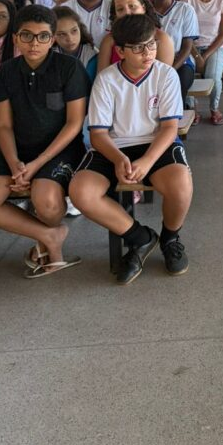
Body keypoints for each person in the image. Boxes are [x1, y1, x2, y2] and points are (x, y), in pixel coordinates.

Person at [69, 14, 193, 284]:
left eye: (150, 45)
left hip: (156, 144)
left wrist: (147, 161)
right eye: (137, 47)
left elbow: (170, 128)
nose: (147, 53)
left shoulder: (166, 74)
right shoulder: (107, 80)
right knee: (81, 192)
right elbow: (98, 133)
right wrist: (118, 158)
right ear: (120, 50)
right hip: (113, 146)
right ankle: (141, 237)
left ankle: (170, 237)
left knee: (181, 186)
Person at [0, 5, 89, 277]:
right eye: (26, 36)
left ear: (52, 39)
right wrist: (15, 162)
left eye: (43, 36)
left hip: (60, 151)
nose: (34, 43)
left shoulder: (69, 68)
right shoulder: (7, 71)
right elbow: (3, 125)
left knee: (47, 201)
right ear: (15, 38)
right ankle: (50, 237)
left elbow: (74, 124)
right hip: (16, 151)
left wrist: (37, 163)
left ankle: (45, 245)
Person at [184, 0, 223, 124]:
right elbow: (185, 33)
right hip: (190, 47)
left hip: (215, 48)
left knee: (213, 75)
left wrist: (204, 55)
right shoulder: (188, 0)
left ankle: (214, 108)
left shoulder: (222, 1)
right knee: (185, 73)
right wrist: (196, 55)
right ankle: (192, 109)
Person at [148, 0, 199, 100]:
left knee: (177, 83)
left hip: (180, 61)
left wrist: (170, 70)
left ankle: (178, 115)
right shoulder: (144, 10)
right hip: (149, 61)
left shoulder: (185, 9)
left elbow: (187, 47)